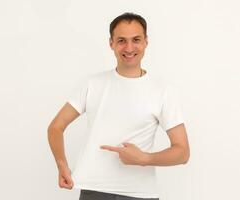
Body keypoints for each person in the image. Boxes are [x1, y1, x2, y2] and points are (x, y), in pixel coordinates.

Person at [47, 12, 190, 200]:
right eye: (121, 40)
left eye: (136, 39)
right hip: (93, 191)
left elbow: (182, 152)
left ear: (146, 42)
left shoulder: (163, 91)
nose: (129, 47)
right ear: (111, 43)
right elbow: (56, 127)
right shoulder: (92, 84)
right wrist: (61, 164)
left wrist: (145, 159)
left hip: (139, 194)